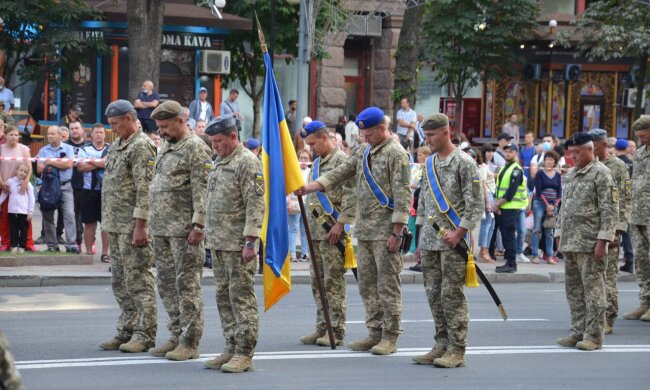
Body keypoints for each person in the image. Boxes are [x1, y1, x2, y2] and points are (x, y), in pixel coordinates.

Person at [298, 106, 411, 356]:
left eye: (369, 135)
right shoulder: (363, 151)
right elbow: (341, 172)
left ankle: (390, 336)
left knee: (387, 285)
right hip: (367, 230)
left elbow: (403, 194)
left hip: (386, 231)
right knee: (368, 285)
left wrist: (398, 231)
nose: (365, 139)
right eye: (363, 136)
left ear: (383, 128)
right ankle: (374, 333)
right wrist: (311, 187)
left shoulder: (396, 154)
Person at [412, 113, 482, 368]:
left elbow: (475, 204)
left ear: (446, 132)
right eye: (426, 135)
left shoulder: (464, 163)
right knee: (434, 294)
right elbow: (424, 203)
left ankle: (457, 349)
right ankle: (441, 344)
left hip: (453, 242)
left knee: (451, 295)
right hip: (431, 240)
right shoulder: (429, 163)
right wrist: (419, 241)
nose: (428, 140)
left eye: (431, 135)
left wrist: (460, 232)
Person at [148, 100, 211, 361]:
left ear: (181, 121)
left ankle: (190, 341)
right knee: (166, 284)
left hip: (184, 231)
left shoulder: (195, 148)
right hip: (162, 228)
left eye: (165, 126)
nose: (161, 132)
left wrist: (198, 225)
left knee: (186, 286)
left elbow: (203, 190)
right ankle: (175, 335)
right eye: (159, 127)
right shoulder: (167, 145)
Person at [202, 116, 265, 373]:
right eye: (211, 142)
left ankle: (244, 352)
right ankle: (230, 345)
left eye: (218, 141)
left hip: (238, 243)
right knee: (223, 297)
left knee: (241, 298)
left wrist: (251, 241)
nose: (214, 146)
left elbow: (255, 203)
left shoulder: (247, 162)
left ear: (232, 136)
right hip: (219, 242)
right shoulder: (220, 161)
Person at [99, 99, 157, 353]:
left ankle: (145, 334)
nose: (113, 129)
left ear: (129, 118)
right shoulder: (118, 145)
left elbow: (145, 190)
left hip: (133, 225)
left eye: (115, 124)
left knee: (138, 280)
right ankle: (126, 330)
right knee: (120, 282)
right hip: (116, 223)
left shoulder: (142, 146)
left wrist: (140, 226)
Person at [555, 132, 617, 351]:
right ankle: (577, 331)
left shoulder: (602, 174)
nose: (573, 157)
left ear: (590, 150)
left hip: (591, 243)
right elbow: (563, 209)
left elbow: (610, 210)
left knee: (594, 291)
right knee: (573, 291)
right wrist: (558, 234)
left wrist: (604, 240)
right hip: (571, 241)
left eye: (577, 153)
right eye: (571, 153)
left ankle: (594, 335)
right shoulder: (571, 174)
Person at [298, 120, 355, 347]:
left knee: (333, 284)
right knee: (317, 282)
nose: (311, 149)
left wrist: (341, 224)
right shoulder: (318, 162)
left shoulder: (342, 161)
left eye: (313, 144)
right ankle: (322, 327)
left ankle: (336, 330)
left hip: (332, 230)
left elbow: (351, 196)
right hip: (315, 230)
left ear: (325, 138)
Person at [589, 128, 630, 334]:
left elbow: (624, 199)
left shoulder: (618, 166)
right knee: (592, 277)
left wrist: (617, 230)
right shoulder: (591, 165)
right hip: (591, 229)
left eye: (594, 145)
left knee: (609, 276)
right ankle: (593, 317)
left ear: (604, 144)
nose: (591, 149)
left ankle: (608, 318)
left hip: (610, 230)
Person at [623, 116, 650, 321]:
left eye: (644, 135)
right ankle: (645, 302)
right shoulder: (640, 154)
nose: (641, 140)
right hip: (638, 213)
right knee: (642, 262)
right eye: (639, 137)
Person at [36, 126, 79, 253]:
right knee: (47, 215)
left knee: (69, 215)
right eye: (48, 134)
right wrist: (59, 162)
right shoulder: (43, 150)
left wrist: (49, 162)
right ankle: (52, 245)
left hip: (65, 186)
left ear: (60, 136)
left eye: (53, 134)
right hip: (49, 186)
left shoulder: (68, 149)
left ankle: (71, 243)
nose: (49, 136)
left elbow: (68, 164)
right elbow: (39, 169)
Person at [77, 124, 110, 260]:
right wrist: (100, 162)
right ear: (91, 135)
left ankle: (105, 253)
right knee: (89, 223)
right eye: (96, 132)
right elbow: (81, 167)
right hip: (88, 190)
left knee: (106, 225)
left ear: (104, 134)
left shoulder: (111, 148)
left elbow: (108, 164)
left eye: (101, 132)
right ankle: (89, 252)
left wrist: (91, 161)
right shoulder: (84, 149)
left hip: (106, 191)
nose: (99, 135)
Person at [493, 142, 527, 273]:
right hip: (503, 207)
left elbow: (510, 193)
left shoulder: (516, 170)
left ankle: (511, 264)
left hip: (510, 207)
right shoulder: (504, 168)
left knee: (509, 236)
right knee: (506, 235)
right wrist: (497, 203)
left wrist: (497, 204)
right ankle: (509, 262)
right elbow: (499, 189)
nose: (507, 154)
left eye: (510, 151)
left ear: (516, 153)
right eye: (506, 151)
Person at [0, 126, 35, 251]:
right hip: (5, 186)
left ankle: (28, 243)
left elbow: (29, 167)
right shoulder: (1, 148)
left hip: (20, 187)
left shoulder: (24, 149)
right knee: (5, 217)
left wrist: (26, 181)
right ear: (5, 136)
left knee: (25, 218)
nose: (14, 137)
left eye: (16, 135)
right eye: (11, 135)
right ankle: (6, 242)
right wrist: (1, 183)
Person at [530, 150, 562, 264]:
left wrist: (553, 206)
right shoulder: (540, 173)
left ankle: (549, 256)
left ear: (555, 162)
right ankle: (535, 255)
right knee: (537, 230)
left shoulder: (558, 175)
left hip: (553, 205)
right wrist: (547, 205)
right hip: (540, 203)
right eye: (547, 159)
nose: (548, 161)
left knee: (550, 231)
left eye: (551, 159)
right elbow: (538, 192)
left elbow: (559, 192)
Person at [0, 163, 34, 253]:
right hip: (12, 211)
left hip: (24, 212)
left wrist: (30, 212)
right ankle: (13, 245)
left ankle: (22, 246)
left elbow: (32, 198)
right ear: (16, 171)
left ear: (27, 174)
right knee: (13, 229)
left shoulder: (28, 184)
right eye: (21, 170)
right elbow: (4, 194)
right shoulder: (10, 182)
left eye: (25, 172)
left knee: (23, 230)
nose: (23, 173)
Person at [287, 149, 311, 262]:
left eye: (306, 158)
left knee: (305, 228)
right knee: (293, 228)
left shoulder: (311, 172)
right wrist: (288, 201)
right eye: (301, 158)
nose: (303, 161)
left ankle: (305, 253)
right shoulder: (293, 171)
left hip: (307, 203)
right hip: (295, 202)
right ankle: (292, 253)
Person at [615, 138, 634, 273]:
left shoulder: (615, 163)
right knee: (626, 232)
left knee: (613, 232)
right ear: (627, 149)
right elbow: (630, 184)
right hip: (627, 200)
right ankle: (630, 260)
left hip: (615, 200)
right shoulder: (631, 164)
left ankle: (612, 261)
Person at [67, 120, 88, 247]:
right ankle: (77, 240)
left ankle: (89, 241)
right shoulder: (65, 146)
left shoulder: (88, 146)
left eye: (77, 128)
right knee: (73, 214)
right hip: (70, 184)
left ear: (82, 130)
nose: (74, 130)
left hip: (87, 185)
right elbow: (65, 162)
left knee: (86, 216)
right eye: (72, 128)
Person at [477, 144, 497, 263]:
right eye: (488, 151)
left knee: (491, 225)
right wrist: (488, 202)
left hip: (491, 194)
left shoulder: (488, 165)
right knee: (487, 224)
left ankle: (486, 250)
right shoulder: (483, 166)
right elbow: (483, 184)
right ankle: (483, 251)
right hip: (487, 195)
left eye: (492, 151)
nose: (490, 153)